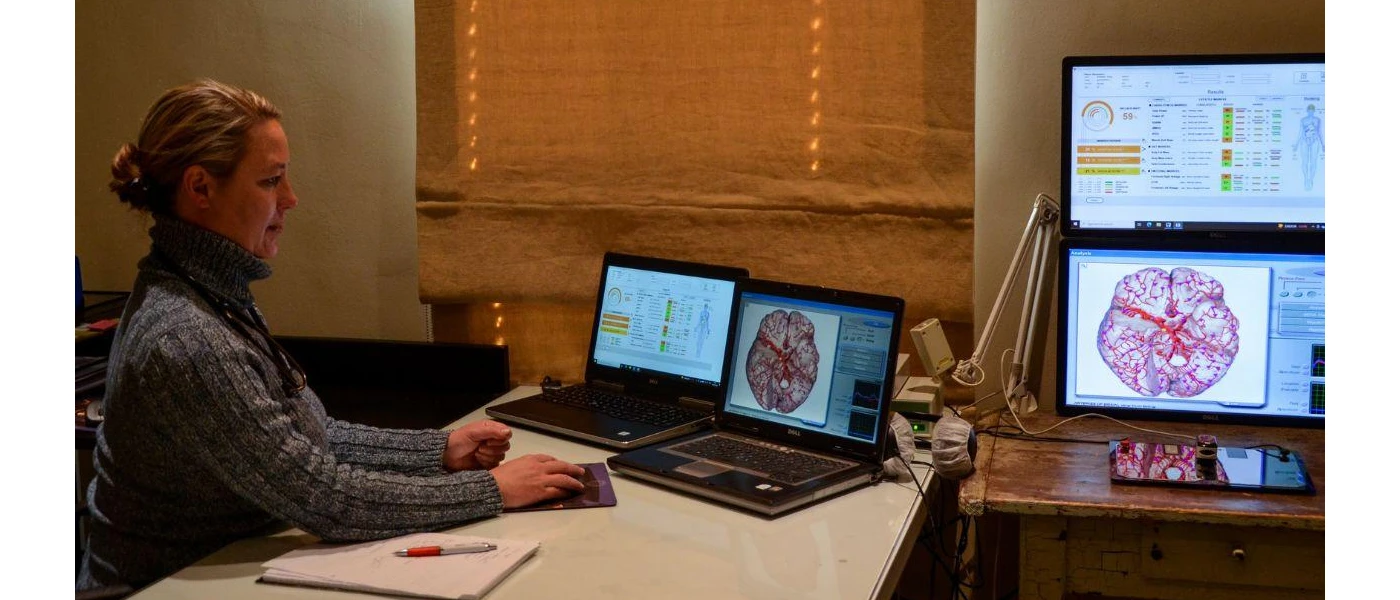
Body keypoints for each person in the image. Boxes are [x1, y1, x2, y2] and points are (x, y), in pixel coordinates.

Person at [77, 79, 586, 591]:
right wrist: (492, 489)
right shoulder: (185, 336)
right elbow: (325, 498)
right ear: (201, 188)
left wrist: (441, 450)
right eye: (271, 181)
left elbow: (305, 438)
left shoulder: (209, 290)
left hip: (223, 568)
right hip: (162, 587)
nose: (292, 199)